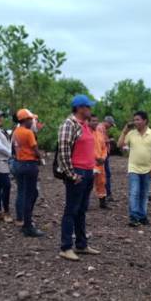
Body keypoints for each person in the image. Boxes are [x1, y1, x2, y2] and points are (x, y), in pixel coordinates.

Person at [56, 95, 102, 261]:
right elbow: (64, 150)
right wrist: (71, 174)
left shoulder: (85, 126)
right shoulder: (69, 125)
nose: (90, 110)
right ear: (80, 108)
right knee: (71, 210)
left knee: (81, 210)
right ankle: (66, 247)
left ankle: (81, 244)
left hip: (88, 172)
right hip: (78, 172)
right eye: (88, 107)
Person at [117, 111, 151, 227]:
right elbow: (119, 145)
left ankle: (142, 216)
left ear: (145, 120)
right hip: (133, 168)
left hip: (148, 169)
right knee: (134, 192)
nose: (135, 122)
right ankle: (133, 216)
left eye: (138, 119)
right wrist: (124, 131)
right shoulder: (131, 133)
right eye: (134, 120)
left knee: (144, 193)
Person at [12, 109, 45, 237]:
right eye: (31, 119)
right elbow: (35, 149)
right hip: (29, 165)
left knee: (26, 193)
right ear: (25, 120)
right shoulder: (28, 133)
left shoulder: (16, 131)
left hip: (19, 164)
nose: (32, 121)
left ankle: (25, 221)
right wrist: (41, 158)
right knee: (31, 195)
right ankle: (28, 226)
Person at [89, 115, 110, 209]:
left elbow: (104, 147)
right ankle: (84, 204)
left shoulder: (99, 133)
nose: (95, 122)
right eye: (93, 121)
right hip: (90, 163)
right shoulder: (86, 133)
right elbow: (87, 148)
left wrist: (103, 157)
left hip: (100, 162)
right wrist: (97, 158)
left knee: (101, 182)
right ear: (88, 122)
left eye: (96, 120)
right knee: (88, 183)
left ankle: (103, 202)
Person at [96, 116, 116, 201]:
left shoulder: (103, 129)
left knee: (106, 174)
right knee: (105, 175)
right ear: (107, 122)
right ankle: (106, 194)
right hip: (101, 155)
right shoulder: (100, 128)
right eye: (110, 125)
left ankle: (107, 194)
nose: (110, 127)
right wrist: (110, 140)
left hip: (104, 154)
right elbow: (100, 141)